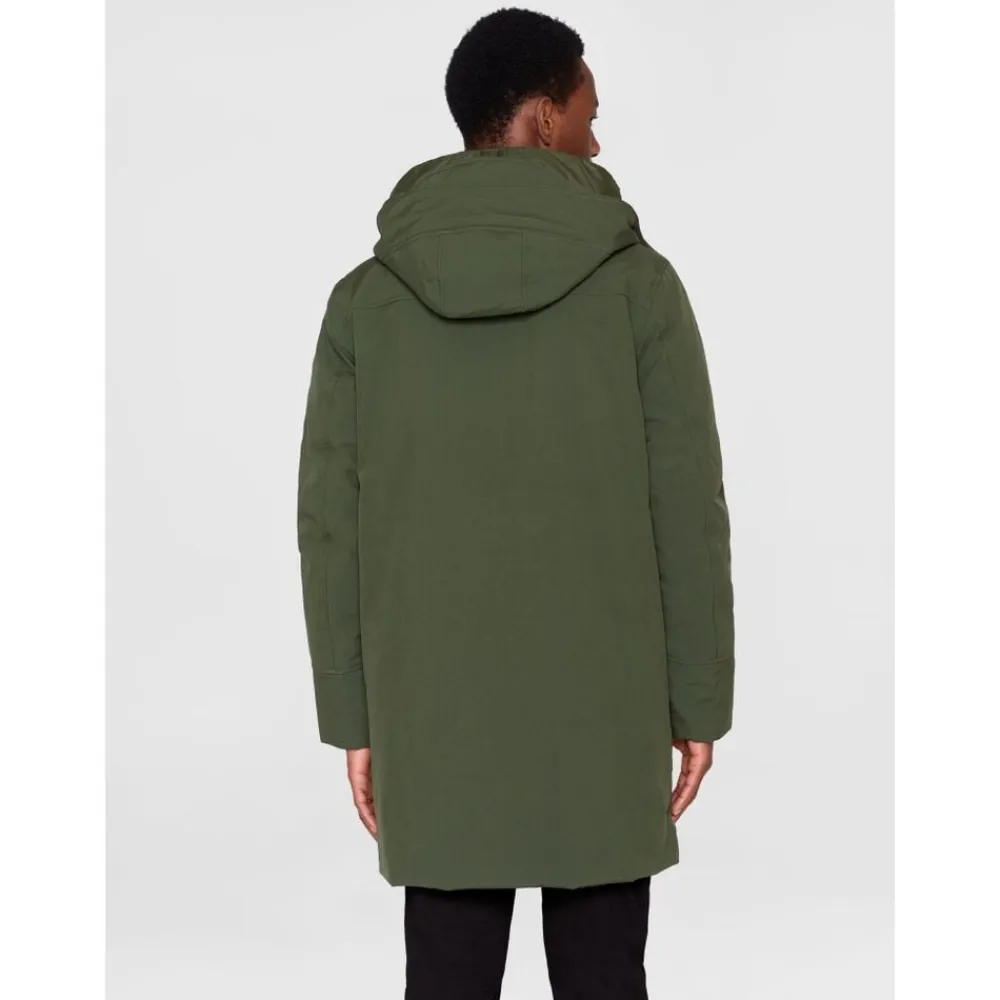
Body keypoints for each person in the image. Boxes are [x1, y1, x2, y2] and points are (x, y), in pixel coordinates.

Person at [296, 8, 735, 998]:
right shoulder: (640, 288)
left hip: (431, 712)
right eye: (588, 114)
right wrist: (697, 699)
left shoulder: (365, 301)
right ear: (543, 116)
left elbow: (330, 527)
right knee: (603, 977)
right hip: (607, 704)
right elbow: (686, 507)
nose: (596, 141)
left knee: (445, 978)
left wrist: (354, 714)